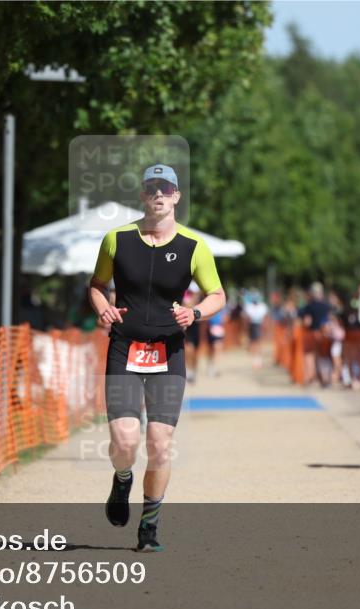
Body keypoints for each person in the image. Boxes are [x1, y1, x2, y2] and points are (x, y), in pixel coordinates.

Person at [89, 164, 225, 552]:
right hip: (124, 348)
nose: (159, 195)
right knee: (124, 441)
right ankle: (121, 477)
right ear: (143, 196)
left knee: (160, 443)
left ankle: (149, 527)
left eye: (166, 188)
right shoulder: (116, 239)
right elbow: (97, 285)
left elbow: (217, 294)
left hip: (169, 351)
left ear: (177, 196)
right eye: (152, 189)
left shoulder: (194, 246)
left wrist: (195, 312)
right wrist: (102, 307)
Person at [299, 282, 334, 386]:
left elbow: (307, 322)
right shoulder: (327, 306)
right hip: (325, 334)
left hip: (313, 333)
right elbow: (331, 320)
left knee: (310, 355)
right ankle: (326, 377)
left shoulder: (309, 307)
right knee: (324, 356)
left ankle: (310, 376)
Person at [243, 290, 269, 369]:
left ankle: (258, 360)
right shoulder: (249, 306)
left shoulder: (263, 306)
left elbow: (265, 318)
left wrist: (265, 327)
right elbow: (247, 319)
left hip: (259, 325)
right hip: (253, 326)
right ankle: (255, 360)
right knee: (254, 343)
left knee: (258, 343)